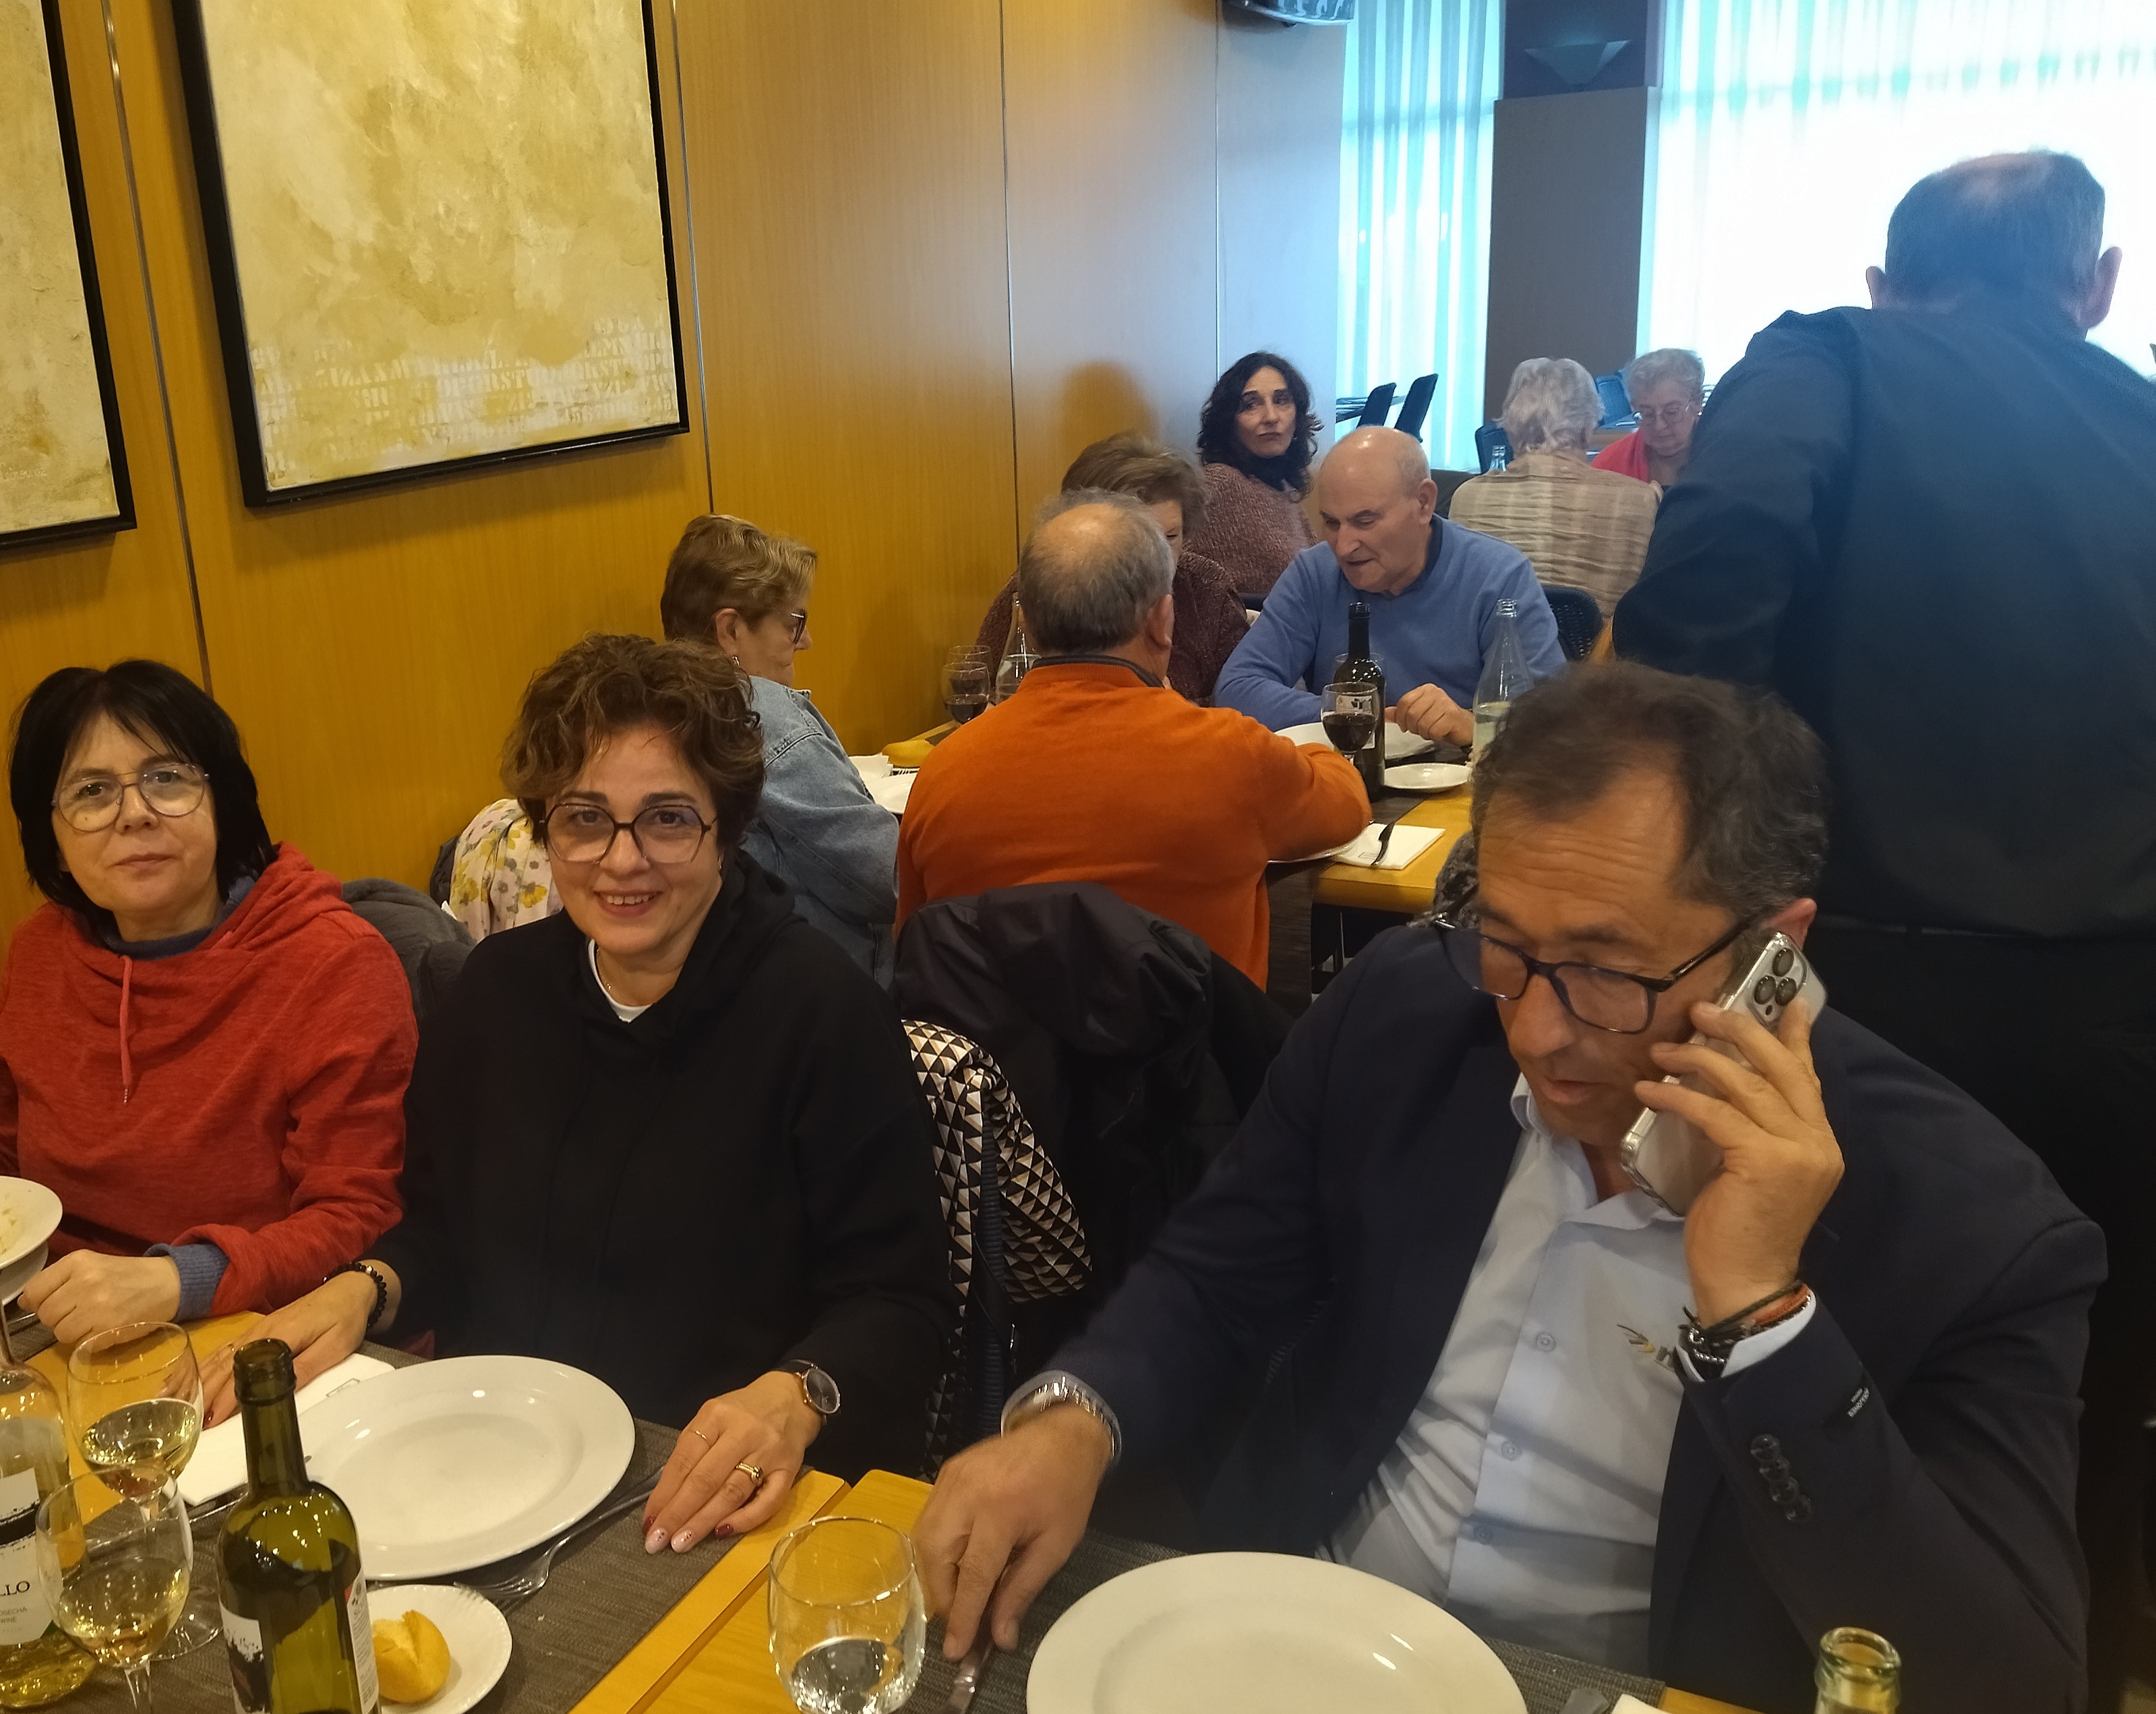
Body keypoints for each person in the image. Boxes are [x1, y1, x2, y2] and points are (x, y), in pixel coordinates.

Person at [914, 664, 2100, 1713]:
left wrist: (1759, 1315)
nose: (1535, 1029)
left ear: (1773, 951)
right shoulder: (1402, 1013)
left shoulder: (1973, 1224)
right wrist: (1072, 1420)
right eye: (1507, 942)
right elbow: (1217, 1274)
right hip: (1303, 1631)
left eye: (1604, 968)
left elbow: (2002, 1680)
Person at [1614, 149, 2156, 1711]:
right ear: (2097, 285)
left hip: (1853, 991)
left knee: (1800, 1392)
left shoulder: (1825, 362)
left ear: (1881, 280)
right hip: (2125, 1014)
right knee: (2076, 1419)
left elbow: (1693, 641)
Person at [205, 636, 951, 1550]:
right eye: (584, 818)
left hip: (708, 1490)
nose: (621, 860)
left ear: (726, 826)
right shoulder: (495, 994)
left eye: (667, 818)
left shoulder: (820, 1012)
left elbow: (900, 1304)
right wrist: (365, 1286)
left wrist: (797, 1392)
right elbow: (441, 1230)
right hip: (492, 1468)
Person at [0, 661, 413, 1341]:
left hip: (258, 1327)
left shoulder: (333, 962)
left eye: (167, 778)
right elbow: (7, 1150)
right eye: (91, 791)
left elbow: (356, 1214)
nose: (135, 814)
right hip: (54, 1320)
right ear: (54, 840)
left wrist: (178, 1279)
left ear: (222, 803)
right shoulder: (42, 950)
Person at [897, 491, 1369, 988]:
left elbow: (915, 944)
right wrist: (1311, 751)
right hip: (1196, 1038)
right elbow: (1347, 806)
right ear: (1163, 621)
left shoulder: (942, 775)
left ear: (1025, 627)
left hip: (997, 1040)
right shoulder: (1230, 754)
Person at [448, 514, 901, 984]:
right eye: (793, 623)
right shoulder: (765, 715)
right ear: (730, 630)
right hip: (806, 984)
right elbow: (888, 880)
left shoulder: (502, 978)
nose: (805, 640)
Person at [1214, 427, 1565, 743]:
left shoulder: (1499, 578)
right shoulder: (1316, 573)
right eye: (1332, 523)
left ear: (1424, 503)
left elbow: (1552, 723)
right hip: (1351, 779)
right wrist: (1356, 713)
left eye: (1365, 521)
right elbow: (1236, 687)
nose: (1344, 547)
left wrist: (1472, 726)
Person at [974, 434, 1250, 703]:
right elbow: (983, 687)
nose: (1161, 558)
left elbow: (1246, 696)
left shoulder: (1208, 589)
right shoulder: (1045, 583)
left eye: (1171, 536)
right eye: (1138, 541)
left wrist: (1177, 711)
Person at [1452, 357, 1661, 617]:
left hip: (1499, 642)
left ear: (1511, 428)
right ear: (1586, 430)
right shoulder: (1641, 502)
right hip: (1601, 645)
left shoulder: (1467, 498)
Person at [1185, 351, 1319, 599]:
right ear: (1229, 421)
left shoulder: (1283, 486)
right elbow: (1170, 568)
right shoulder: (1218, 483)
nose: (1271, 417)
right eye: (1250, 405)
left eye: (1281, 401)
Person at [1592, 348, 1704, 486]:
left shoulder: (1722, 457)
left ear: (1698, 403)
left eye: (1672, 412)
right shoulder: (1609, 465)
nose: (1659, 426)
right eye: (1647, 414)